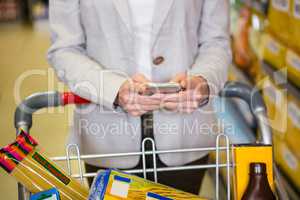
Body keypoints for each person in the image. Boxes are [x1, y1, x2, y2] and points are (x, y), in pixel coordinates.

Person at [48, 0, 231, 194]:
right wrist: (113, 89)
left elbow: (216, 42)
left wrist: (203, 81)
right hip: (106, 136)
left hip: (186, 134)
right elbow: (64, 49)